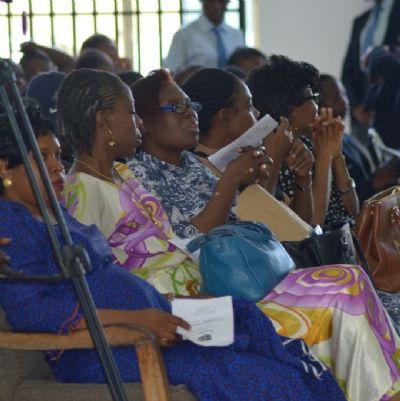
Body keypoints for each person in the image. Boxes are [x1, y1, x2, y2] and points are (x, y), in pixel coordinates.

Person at [0, 90, 348, 401]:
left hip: (154, 322)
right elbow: (37, 312)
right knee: (263, 377)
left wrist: (171, 306)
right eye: (41, 157)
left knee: (257, 327)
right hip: (108, 349)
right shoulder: (11, 226)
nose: (56, 167)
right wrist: (140, 320)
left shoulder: (53, 214)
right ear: (4, 168)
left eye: (56, 156)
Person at [122, 68, 400, 401]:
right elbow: (187, 244)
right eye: (176, 107)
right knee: (346, 290)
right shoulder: (139, 174)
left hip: (251, 271)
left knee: (352, 279)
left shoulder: (193, 164)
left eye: (190, 106)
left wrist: (267, 179)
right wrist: (230, 182)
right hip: (210, 290)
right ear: (145, 121)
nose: (190, 114)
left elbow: (261, 223)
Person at [248, 55, 359, 226]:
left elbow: (353, 211)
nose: (317, 105)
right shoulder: (281, 157)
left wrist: (336, 155)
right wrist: (324, 158)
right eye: (313, 98)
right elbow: (313, 224)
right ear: (292, 110)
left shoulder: (309, 142)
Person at [316, 73, 400, 203]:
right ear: (318, 104)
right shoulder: (321, 145)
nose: (344, 100)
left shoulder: (348, 138)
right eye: (335, 97)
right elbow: (334, 199)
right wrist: (373, 183)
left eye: (344, 94)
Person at [341, 0, 400, 143]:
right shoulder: (360, 21)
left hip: (392, 115)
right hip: (361, 118)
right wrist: (355, 106)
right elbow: (348, 69)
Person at [163, 0, 245, 75]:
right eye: (211, 2)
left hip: (232, 86)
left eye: (221, 1)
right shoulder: (184, 35)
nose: (216, 6)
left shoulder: (237, 35)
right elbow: (171, 71)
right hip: (195, 86)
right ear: (202, 2)